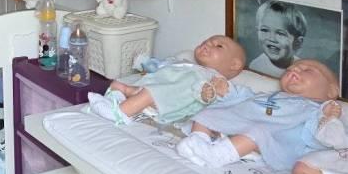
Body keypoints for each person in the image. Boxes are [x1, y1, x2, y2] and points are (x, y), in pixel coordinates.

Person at [176, 59, 348, 172]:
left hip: (273, 142)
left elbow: (322, 138)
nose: (294, 71)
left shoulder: (314, 109)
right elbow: (246, 97)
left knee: (257, 131)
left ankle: (216, 155)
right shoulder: (272, 95)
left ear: (331, 91)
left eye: (307, 70)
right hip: (242, 126)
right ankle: (197, 142)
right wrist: (227, 90)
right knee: (209, 113)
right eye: (289, 70)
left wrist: (327, 119)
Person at [85, 35, 248, 126]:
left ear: (234, 64)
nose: (207, 44)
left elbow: (223, 98)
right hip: (151, 90)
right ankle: (113, 102)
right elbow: (162, 66)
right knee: (117, 84)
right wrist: (145, 63)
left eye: (218, 46)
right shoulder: (186, 64)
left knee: (148, 94)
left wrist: (209, 93)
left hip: (169, 102)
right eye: (205, 42)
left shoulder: (215, 78)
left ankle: (120, 113)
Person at [248, 0, 307, 76]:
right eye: (265, 30)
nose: (271, 38)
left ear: (298, 43)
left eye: (280, 33)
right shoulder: (256, 66)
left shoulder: (302, 70)